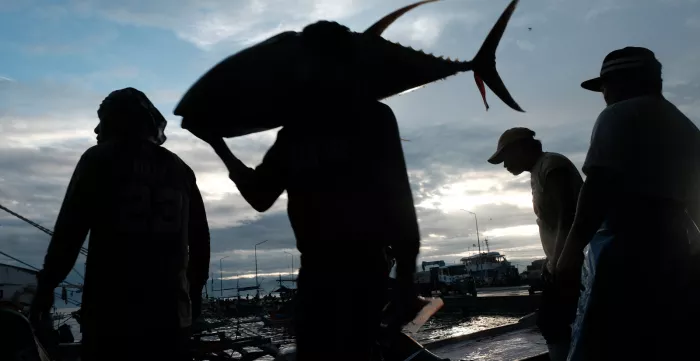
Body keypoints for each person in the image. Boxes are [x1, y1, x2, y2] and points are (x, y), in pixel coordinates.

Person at [190, 95, 421, 361]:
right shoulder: (371, 116)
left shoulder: (301, 131)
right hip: (342, 272)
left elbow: (258, 196)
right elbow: (400, 197)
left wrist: (218, 145)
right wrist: (405, 277)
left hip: (337, 271)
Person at [29, 88, 211, 361]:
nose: (96, 129)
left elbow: (69, 234)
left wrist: (46, 289)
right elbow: (200, 241)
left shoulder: (98, 159)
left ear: (119, 121)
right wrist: (194, 295)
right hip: (171, 316)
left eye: (103, 119)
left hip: (111, 315)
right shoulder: (181, 169)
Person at [556, 47, 700, 360]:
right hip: (676, 248)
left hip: (623, 249)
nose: (604, 95)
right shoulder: (687, 127)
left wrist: (567, 255)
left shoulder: (618, 115)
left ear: (622, 81)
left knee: (604, 341)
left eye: (605, 86)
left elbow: (597, 189)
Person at [487, 127, 583, 361]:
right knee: (558, 321)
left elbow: (567, 215)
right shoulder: (538, 171)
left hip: (571, 261)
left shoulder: (552, 165)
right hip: (561, 261)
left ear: (521, 148)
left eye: (505, 157)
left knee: (553, 322)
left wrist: (559, 263)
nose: (504, 165)